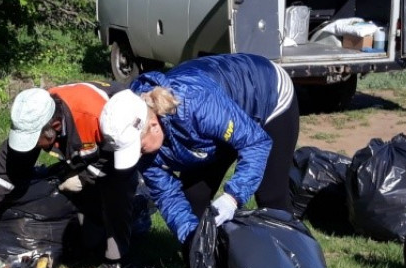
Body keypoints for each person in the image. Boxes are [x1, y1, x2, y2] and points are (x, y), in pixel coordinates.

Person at [98, 53, 298, 246]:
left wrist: (232, 197)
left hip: (266, 93)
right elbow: (167, 195)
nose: (139, 155)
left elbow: (255, 143)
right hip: (215, 124)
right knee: (194, 199)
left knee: (271, 196)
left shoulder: (193, 104)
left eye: (139, 148)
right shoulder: (138, 129)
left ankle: (295, 264)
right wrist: (193, 243)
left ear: (153, 125)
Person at [0, 83, 137, 263]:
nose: (34, 146)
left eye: (36, 140)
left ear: (55, 126)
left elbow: (114, 157)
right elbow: (3, 170)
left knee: (116, 192)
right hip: (84, 147)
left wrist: (85, 178)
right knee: (88, 237)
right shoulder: (33, 115)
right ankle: (90, 233)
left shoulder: (96, 118)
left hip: (121, 143)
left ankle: (118, 261)